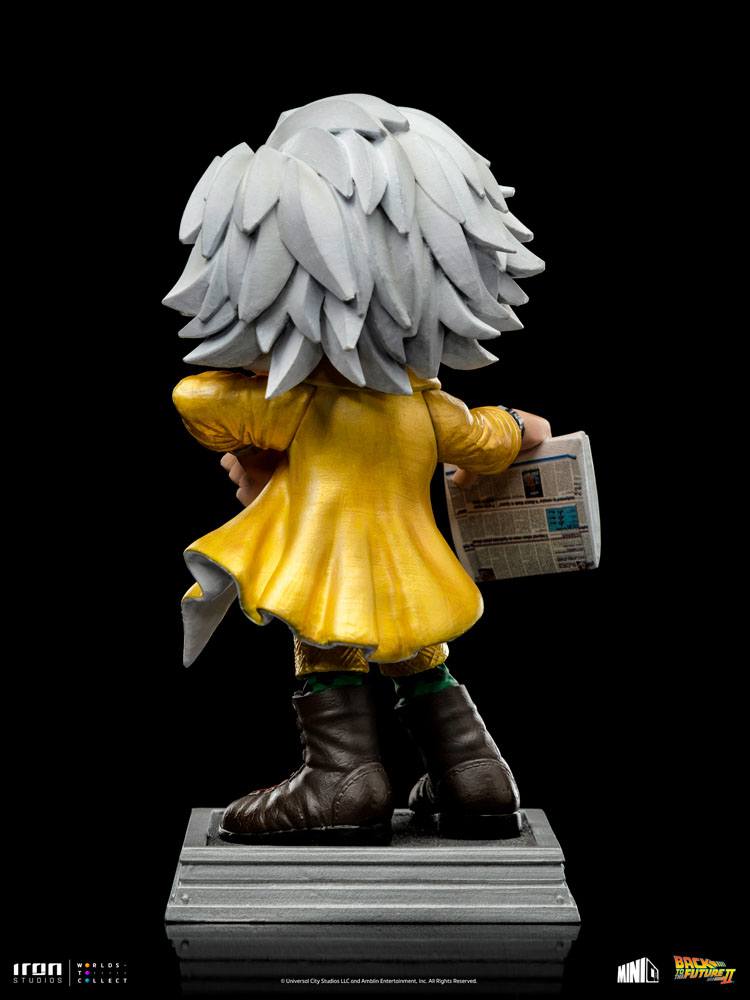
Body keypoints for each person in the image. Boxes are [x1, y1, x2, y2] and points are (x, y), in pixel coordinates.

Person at [165, 94, 551, 845]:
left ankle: (341, 781)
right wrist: (524, 426)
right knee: (416, 651)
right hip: (411, 567)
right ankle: (476, 776)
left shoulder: (300, 404)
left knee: (328, 644)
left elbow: (197, 400)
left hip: (325, 565)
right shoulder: (423, 405)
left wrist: (255, 415)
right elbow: (487, 438)